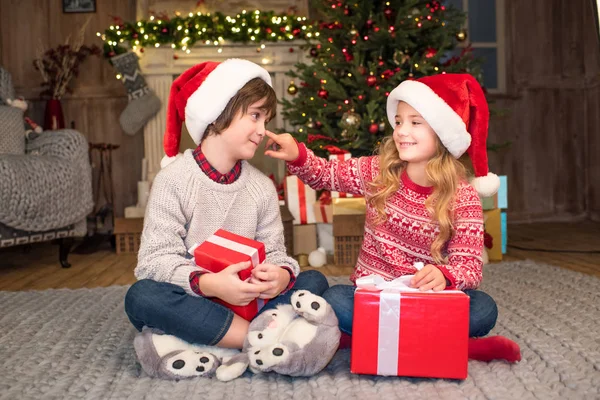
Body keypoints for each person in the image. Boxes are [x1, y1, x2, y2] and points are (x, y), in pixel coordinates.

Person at [265, 73, 521, 363]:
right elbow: (326, 173)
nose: (401, 131)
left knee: (484, 309)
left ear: (441, 132)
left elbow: (470, 267)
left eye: (415, 122)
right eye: (398, 122)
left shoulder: (463, 197)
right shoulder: (379, 171)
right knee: (336, 298)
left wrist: (444, 275)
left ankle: (368, 338)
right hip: (376, 296)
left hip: (426, 301)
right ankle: (454, 347)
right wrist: (297, 156)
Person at [124, 59, 329, 378]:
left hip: (250, 301)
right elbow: (153, 262)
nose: (263, 130)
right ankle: (262, 339)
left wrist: (281, 276)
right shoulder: (174, 181)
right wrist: (210, 283)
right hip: (198, 300)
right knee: (142, 297)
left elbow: (275, 252)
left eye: (266, 119)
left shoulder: (260, 187)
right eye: (256, 116)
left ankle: (214, 339)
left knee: (313, 281)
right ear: (219, 112)